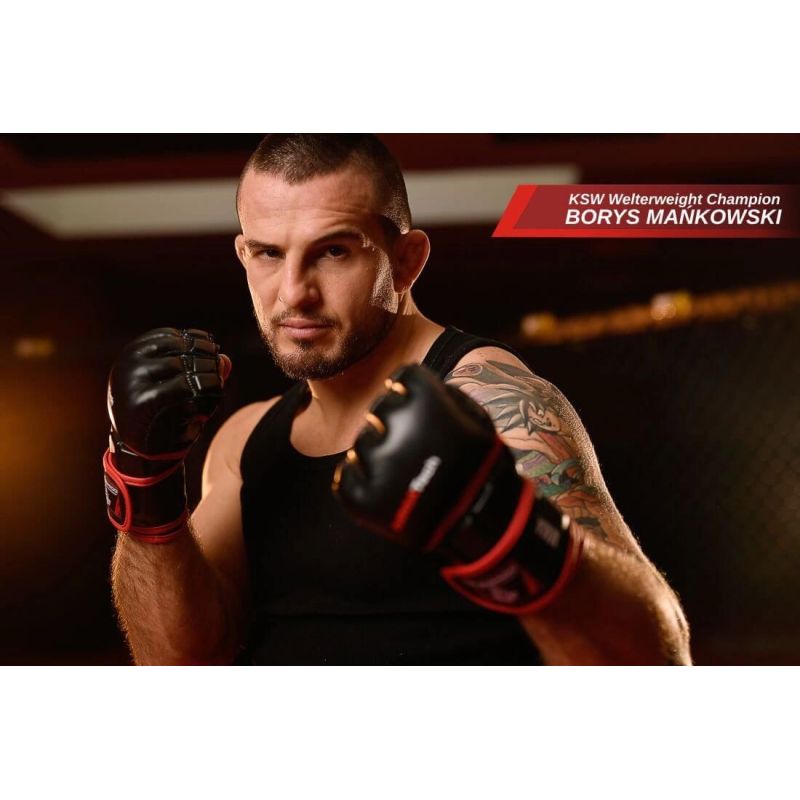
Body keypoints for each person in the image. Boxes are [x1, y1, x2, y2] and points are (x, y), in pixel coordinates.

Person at [105, 134, 691, 665]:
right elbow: (175, 664)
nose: (294, 293)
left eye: (334, 251)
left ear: (407, 261)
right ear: (243, 255)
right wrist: (144, 481)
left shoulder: (492, 402)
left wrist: (504, 526)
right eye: (270, 253)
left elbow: (658, 662)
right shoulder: (244, 442)